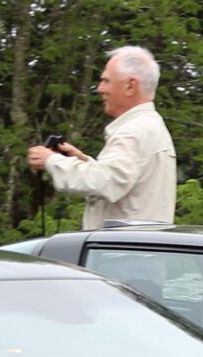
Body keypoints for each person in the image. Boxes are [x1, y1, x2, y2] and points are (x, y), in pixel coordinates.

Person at [28, 46, 177, 228]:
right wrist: (83, 160)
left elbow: (104, 182)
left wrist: (51, 160)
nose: (100, 89)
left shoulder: (133, 132)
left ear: (130, 86)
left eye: (106, 81)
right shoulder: (151, 126)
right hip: (143, 243)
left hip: (123, 245)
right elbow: (121, 181)